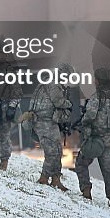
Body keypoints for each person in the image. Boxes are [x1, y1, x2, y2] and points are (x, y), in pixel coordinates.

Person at [73, 68, 110, 207]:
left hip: (94, 140)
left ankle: (86, 190)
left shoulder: (97, 97)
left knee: (81, 163)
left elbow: (89, 116)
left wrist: (83, 125)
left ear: (99, 81)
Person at [19, 62, 75, 190]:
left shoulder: (46, 82)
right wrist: (69, 104)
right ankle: (44, 178)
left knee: (57, 150)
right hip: (44, 122)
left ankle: (56, 179)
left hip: (46, 121)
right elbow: (58, 101)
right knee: (52, 151)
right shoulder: (54, 85)